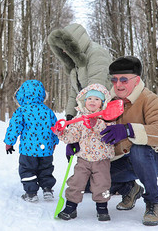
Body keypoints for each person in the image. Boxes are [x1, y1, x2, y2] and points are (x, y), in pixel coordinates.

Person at [100, 56, 158, 226]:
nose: (118, 85)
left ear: (136, 80)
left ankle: (153, 202)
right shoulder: (107, 102)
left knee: (139, 150)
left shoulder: (150, 100)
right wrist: (77, 141)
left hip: (152, 159)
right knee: (90, 177)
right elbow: (92, 126)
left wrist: (128, 130)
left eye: (124, 79)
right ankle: (130, 188)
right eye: (115, 79)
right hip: (120, 159)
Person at [48, 23, 112, 192]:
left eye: (65, 48)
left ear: (74, 44)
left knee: (102, 154)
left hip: (103, 114)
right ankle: (93, 181)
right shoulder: (76, 65)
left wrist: (78, 128)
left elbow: (95, 92)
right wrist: (69, 118)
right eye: (60, 49)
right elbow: (74, 93)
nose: (63, 52)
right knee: (88, 153)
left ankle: (124, 185)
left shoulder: (96, 54)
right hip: (88, 115)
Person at [53, 83, 115, 221]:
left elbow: (109, 135)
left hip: (101, 159)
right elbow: (72, 137)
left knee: (102, 184)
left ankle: (102, 208)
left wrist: (96, 124)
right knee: (76, 182)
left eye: (97, 99)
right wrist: (61, 132)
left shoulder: (106, 119)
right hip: (83, 159)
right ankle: (70, 207)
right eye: (89, 98)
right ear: (84, 101)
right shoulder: (78, 120)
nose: (92, 101)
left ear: (102, 103)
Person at [4, 79, 59, 203]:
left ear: (22, 94)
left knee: (27, 169)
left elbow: (14, 127)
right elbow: (55, 128)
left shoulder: (22, 111)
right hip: (46, 149)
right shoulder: (48, 111)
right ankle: (47, 189)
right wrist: (55, 142)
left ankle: (31, 192)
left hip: (28, 150)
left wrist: (9, 143)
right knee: (46, 168)